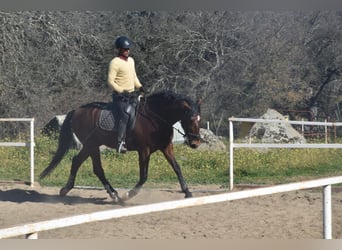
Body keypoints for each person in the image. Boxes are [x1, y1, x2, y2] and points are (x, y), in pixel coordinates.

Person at [107, 36, 144, 153]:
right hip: (120, 97)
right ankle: (120, 142)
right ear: (119, 49)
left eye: (128, 49)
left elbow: (134, 76)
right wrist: (122, 91)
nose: (127, 51)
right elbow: (110, 81)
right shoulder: (115, 62)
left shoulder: (131, 61)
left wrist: (140, 87)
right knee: (125, 115)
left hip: (132, 95)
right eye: (125, 49)